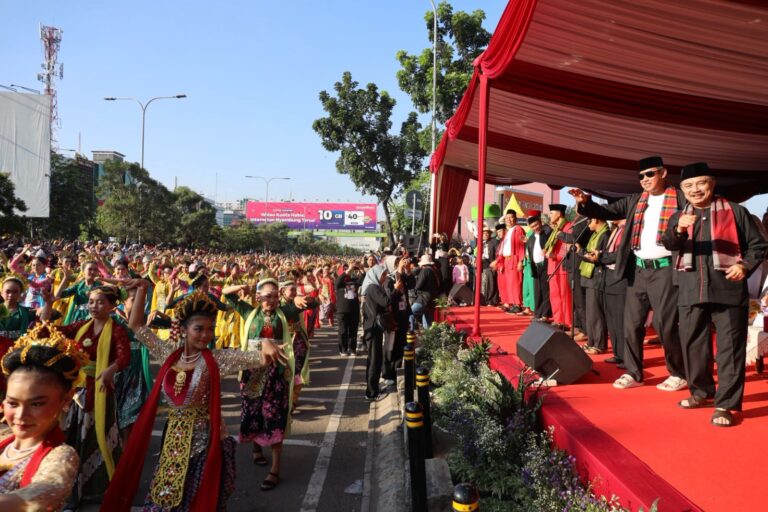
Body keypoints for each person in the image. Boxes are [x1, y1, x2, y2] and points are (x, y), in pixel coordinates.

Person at [102, 283, 285, 511]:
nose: (206, 335)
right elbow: (137, 326)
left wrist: (266, 343)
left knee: (198, 500)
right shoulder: (168, 354)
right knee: (166, 496)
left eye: (211, 329)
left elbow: (256, 358)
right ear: (185, 329)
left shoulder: (216, 359)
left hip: (206, 444)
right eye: (199, 329)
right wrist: (141, 290)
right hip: (174, 442)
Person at [662, 163, 768, 427]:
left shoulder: (736, 211)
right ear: (682, 190)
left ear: (711, 183)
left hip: (728, 288)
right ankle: (701, 393)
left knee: (730, 349)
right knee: (692, 345)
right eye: (688, 186)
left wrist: (744, 265)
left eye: (700, 183)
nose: (695, 190)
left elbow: (759, 245)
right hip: (689, 288)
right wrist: (678, 230)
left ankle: (726, 405)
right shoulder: (678, 216)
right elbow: (668, 244)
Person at [571, 156, 687, 392]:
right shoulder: (635, 201)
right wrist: (585, 202)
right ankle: (634, 372)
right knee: (631, 324)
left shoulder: (680, 198)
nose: (644, 179)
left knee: (665, 325)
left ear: (663, 173)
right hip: (639, 269)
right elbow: (606, 211)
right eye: (641, 176)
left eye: (650, 174)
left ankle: (678, 373)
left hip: (666, 268)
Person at [54, 285, 132, 508]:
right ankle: (70, 488)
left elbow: (124, 357)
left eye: (100, 302)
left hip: (99, 391)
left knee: (96, 438)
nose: (94, 306)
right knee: (71, 436)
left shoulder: (116, 330)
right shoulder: (82, 326)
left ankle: (96, 488)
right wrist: (49, 306)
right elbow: (54, 332)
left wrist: (110, 368)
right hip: (75, 389)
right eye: (91, 302)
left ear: (111, 306)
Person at [223, 275, 303, 491]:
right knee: (253, 412)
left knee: (275, 416)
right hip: (252, 373)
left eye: (276, 296)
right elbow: (225, 293)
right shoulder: (249, 312)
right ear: (258, 297)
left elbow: (310, 303)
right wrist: (241, 285)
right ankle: (257, 448)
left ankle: (275, 469)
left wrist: (301, 302)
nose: (273, 300)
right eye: (268, 296)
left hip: (276, 374)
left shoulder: (283, 313)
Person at [0, 323, 83, 511]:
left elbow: (40, 493)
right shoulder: (2, 436)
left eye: (36, 404)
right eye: (13, 403)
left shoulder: (61, 456)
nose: (21, 415)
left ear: (65, 400)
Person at [362, 264, 396, 401]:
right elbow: (386, 301)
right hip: (373, 328)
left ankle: (373, 387)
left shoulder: (374, 287)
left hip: (374, 327)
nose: (385, 277)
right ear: (376, 275)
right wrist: (396, 291)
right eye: (383, 275)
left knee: (374, 359)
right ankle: (371, 393)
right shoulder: (373, 288)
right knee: (374, 360)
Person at [598, 219, 628, 365]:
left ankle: (626, 356)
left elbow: (621, 254)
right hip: (609, 277)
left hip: (621, 278)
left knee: (620, 320)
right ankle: (617, 354)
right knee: (612, 319)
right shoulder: (616, 229)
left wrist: (600, 257)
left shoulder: (627, 228)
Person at [578, 218, 610, 354]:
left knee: (596, 313)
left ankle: (599, 344)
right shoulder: (595, 235)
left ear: (596, 220)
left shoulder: (605, 235)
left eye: (589, 221)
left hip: (596, 276)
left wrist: (580, 252)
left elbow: (595, 257)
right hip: (588, 277)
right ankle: (591, 341)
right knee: (591, 312)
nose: (587, 224)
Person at [543, 204, 573, 330]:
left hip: (561, 266)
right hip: (552, 266)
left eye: (551, 213)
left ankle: (567, 322)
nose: (550, 215)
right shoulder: (555, 228)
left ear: (559, 213)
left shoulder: (568, 226)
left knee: (564, 295)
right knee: (555, 295)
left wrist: (556, 256)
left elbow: (568, 245)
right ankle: (558, 319)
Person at [495, 210, 526, 313]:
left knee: (516, 282)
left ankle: (517, 304)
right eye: (507, 217)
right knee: (509, 283)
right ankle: (511, 303)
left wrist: (521, 261)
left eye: (511, 217)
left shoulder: (518, 229)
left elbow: (521, 246)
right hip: (506, 260)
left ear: (515, 218)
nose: (508, 219)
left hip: (514, 259)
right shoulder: (508, 231)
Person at [525, 214, 552, 322]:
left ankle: (545, 315)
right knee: (537, 291)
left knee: (546, 291)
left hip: (545, 266)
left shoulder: (546, 234)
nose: (535, 227)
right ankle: (538, 313)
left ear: (540, 223)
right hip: (535, 267)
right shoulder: (531, 238)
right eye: (532, 226)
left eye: (536, 224)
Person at [335, 263, 363, 356]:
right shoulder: (339, 282)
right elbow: (337, 282)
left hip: (353, 309)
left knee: (353, 330)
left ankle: (352, 349)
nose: (349, 271)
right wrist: (347, 271)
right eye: (345, 269)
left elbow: (362, 280)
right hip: (342, 310)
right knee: (343, 330)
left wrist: (361, 269)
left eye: (349, 269)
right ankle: (343, 349)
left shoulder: (354, 280)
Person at [411, 255, 439, 331]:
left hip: (423, 299)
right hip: (432, 300)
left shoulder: (425, 271)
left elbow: (418, 286)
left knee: (410, 313)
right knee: (427, 323)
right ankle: (428, 340)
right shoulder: (435, 270)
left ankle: (411, 333)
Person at [478, 224, 499, 306]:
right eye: (484, 233)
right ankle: (484, 300)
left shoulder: (493, 242)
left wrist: (496, 263)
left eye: (487, 233)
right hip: (482, 264)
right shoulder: (480, 243)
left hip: (491, 264)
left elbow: (497, 253)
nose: (485, 234)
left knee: (491, 283)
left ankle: (492, 300)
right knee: (483, 283)